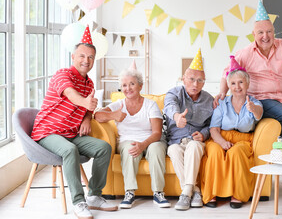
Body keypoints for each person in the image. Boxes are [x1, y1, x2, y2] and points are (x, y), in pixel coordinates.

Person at [214, 0, 282, 190]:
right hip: (262, 98)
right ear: (254, 35)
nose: (265, 36)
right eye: (260, 32)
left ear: (274, 32)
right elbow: (227, 72)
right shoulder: (245, 53)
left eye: (269, 31)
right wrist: (222, 92)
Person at [31, 25, 117, 219]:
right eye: (82, 56)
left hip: (71, 134)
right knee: (70, 150)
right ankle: (79, 202)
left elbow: (88, 107)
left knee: (104, 147)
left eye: (90, 57)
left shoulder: (89, 83)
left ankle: (94, 196)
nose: (86, 60)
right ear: (73, 56)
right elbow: (71, 94)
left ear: (94, 60)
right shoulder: (63, 74)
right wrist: (85, 102)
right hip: (48, 132)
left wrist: (87, 116)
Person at [94, 60, 170, 209]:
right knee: (130, 149)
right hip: (128, 140)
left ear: (140, 86)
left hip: (151, 140)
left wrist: (142, 145)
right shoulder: (118, 105)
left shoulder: (150, 105)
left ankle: (158, 192)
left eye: (132, 84)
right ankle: (129, 192)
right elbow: (97, 116)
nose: (128, 88)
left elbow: (157, 132)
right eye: (124, 85)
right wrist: (114, 116)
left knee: (156, 149)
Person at [201, 56, 263, 209]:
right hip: (220, 136)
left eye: (241, 82)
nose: (237, 86)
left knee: (236, 153)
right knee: (215, 152)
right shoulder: (222, 104)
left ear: (247, 83)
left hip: (243, 139)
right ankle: (213, 193)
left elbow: (259, 114)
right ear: (228, 85)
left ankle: (237, 194)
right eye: (233, 83)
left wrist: (253, 109)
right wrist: (221, 142)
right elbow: (214, 129)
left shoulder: (254, 102)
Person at [163, 49, 214, 211]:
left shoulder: (209, 100)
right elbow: (170, 106)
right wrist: (177, 117)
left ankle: (185, 194)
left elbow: (212, 124)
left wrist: (204, 134)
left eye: (200, 80)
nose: (195, 84)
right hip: (175, 140)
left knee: (193, 146)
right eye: (191, 79)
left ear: (204, 82)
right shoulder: (174, 93)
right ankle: (195, 191)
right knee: (174, 151)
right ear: (183, 79)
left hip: (195, 141)